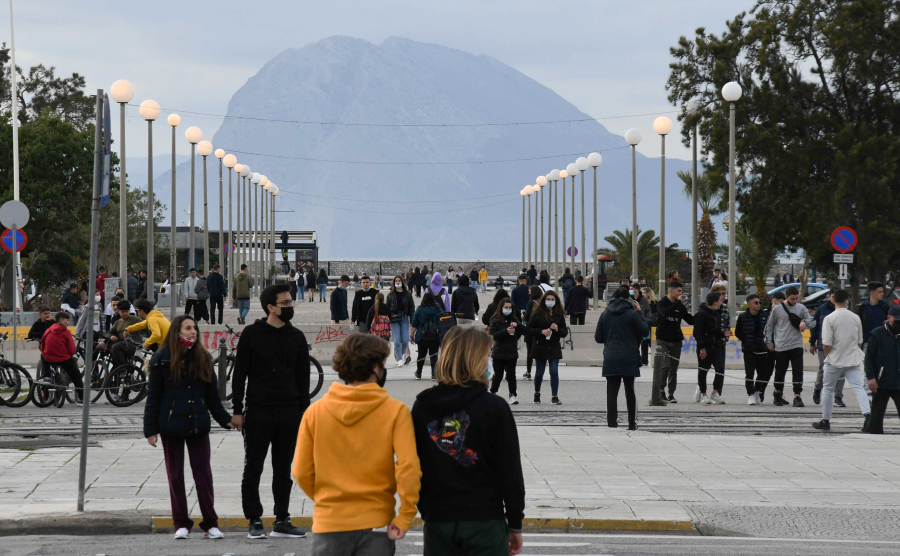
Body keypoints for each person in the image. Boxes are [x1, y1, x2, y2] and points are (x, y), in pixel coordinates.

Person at [294, 333, 421, 555]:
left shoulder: (315, 412)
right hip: (376, 522)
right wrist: (405, 514)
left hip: (330, 522)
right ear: (374, 367)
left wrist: (328, 501)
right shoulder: (395, 411)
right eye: (383, 364)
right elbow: (408, 466)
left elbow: (302, 471)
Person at [411, 326, 525, 556]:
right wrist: (514, 522)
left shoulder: (423, 406)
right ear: (478, 361)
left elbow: (413, 466)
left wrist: (427, 510)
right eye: (488, 356)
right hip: (484, 520)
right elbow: (510, 471)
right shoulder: (494, 408)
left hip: (439, 519)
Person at [143, 315, 234, 540]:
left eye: (194, 328)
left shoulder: (202, 357)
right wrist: (150, 429)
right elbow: (153, 397)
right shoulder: (161, 359)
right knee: (175, 475)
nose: (193, 332)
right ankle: (181, 523)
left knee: (203, 475)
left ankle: (210, 523)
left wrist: (227, 420)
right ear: (177, 332)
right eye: (188, 328)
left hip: (198, 424)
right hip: (170, 424)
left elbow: (213, 396)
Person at [231, 284, 309, 539]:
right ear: (270, 307)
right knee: (253, 467)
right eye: (285, 303)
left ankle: (282, 518)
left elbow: (303, 379)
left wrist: (303, 413)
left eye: (290, 302)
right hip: (258, 412)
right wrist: (237, 410)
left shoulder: (297, 336)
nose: (290, 307)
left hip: (289, 412)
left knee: (283, 469)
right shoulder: (251, 334)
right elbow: (239, 375)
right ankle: (254, 519)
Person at [812, 289, 871, 431]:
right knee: (858, 388)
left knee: (828, 389)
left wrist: (828, 356)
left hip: (834, 359)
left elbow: (827, 343)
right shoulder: (855, 317)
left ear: (833, 300)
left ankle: (826, 420)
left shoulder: (829, 318)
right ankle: (868, 416)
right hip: (852, 359)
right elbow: (859, 341)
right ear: (847, 301)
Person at [595, 286, 649, 429]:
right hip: (629, 356)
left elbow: (598, 338)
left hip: (611, 356)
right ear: (629, 299)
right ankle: (632, 423)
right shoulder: (632, 314)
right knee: (630, 390)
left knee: (612, 391)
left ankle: (612, 422)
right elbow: (645, 331)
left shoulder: (605, 314)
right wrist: (639, 313)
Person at [765, 286, 815, 407]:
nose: (794, 301)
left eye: (796, 298)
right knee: (780, 371)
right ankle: (778, 393)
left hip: (797, 344)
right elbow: (769, 326)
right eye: (792, 299)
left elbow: (813, 322)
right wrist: (769, 342)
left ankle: (797, 395)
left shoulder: (801, 308)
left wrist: (804, 322)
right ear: (786, 297)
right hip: (781, 345)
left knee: (798, 371)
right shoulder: (777, 309)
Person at [652, 281, 693, 405]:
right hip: (663, 340)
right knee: (665, 367)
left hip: (676, 341)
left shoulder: (679, 306)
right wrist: (677, 303)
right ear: (671, 291)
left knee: (673, 369)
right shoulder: (661, 303)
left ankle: (671, 393)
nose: (681, 293)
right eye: (679, 291)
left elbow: (690, 319)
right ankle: (660, 390)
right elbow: (665, 314)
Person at [527, 291, 568, 405]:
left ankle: (554, 396)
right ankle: (537, 392)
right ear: (544, 300)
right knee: (539, 372)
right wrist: (541, 331)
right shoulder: (537, 313)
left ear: (556, 301)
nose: (550, 302)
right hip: (540, 345)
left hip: (554, 346)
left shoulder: (559, 314)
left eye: (552, 300)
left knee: (554, 371)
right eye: (548, 299)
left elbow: (564, 332)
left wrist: (557, 329)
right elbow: (529, 329)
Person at [865, 305, 900, 434]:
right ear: (889, 318)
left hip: (898, 381)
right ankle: (874, 434)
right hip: (881, 381)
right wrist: (871, 377)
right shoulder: (877, 334)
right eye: (896, 320)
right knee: (877, 416)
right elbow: (868, 358)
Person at [39, 312, 84, 404]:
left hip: (49, 358)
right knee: (76, 376)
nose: (69, 322)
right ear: (60, 320)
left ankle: (46, 383)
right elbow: (72, 350)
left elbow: (42, 345)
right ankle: (82, 398)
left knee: (43, 358)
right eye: (67, 320)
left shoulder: (49, 330)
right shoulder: (66, 332)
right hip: (63, 359)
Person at [810, 290, 845, 406]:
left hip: (839, 346)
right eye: (832, 297)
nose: (834, 299)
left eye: (836, 297)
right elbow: (815, 327)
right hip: (823, 344)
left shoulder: (843, 311)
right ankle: (817, 389)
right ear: (829, 297)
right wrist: (812, 343)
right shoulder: (822, 309)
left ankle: (838, 396)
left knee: (841, 371)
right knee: (823, 369)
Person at [736, 294, 770, 405]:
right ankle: (750, 394)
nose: (758, 305)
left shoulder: (764, 315)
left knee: (762, 373)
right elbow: (738, 332)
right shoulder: (743, 317)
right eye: (756, 303)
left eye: (759, 302)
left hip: (762, 348)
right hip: (749, 350)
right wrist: (746, 341)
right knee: (749, 373)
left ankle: (756, 391)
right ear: (749, 304)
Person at [488, 297, 524, 404]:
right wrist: (505, 332)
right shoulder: (495, 320)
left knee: (511, 375)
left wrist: (517, 329)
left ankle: (512, 395)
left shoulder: (514, 319)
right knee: (498, 375)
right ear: (501, 308)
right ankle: (493, 392)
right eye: (506, 307)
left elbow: (521, 330)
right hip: (499, 352)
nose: (508, 309)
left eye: (509, 307)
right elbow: (492, 336)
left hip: (511, 352)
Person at [694, 292, 727, 404]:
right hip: (704, 347)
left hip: (716, 346)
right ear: (714, 302)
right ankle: (703, 394)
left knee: (720, 368)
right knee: (703, 370)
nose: (721, 302)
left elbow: (716, 331)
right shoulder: (700, 314)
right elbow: (697, 333)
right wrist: (702, 348)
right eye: (720, 300)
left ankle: (715, 392)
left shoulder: (716, 314)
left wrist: (723, 334)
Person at [411, 291, 443, 380]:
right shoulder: (438, 309)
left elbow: (414, 324)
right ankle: (434, 373)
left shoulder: (420, 309)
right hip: (435, 336)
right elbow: (442, 320)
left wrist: (411, 336)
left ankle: (419, 372)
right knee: (434, 355)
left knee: (421, 355)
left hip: (422, 336)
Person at [387, 276, 416, 367]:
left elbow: (412, 307)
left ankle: (403, 353)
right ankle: (399, 359)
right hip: (394, 318)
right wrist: (388, 320)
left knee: (405, 339)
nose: (398, 282)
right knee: (396, 340)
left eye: (399, 281)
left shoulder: (407, 294)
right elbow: (387, 308)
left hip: (404, 317)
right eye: (396, 281)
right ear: (394, 282)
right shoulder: (390, 295)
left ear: (402, 282)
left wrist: (412, 320)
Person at [105, 300, 142, 366]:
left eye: (127, 311)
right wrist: (111, 336)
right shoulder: (118, 322)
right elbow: (109, 333)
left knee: (116, 347)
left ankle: (123, 367)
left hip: (133, 345)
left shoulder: (135, 319)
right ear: (118, 311)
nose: (125, 313)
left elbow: (147, 326)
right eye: (123, 312)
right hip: (122, 344)